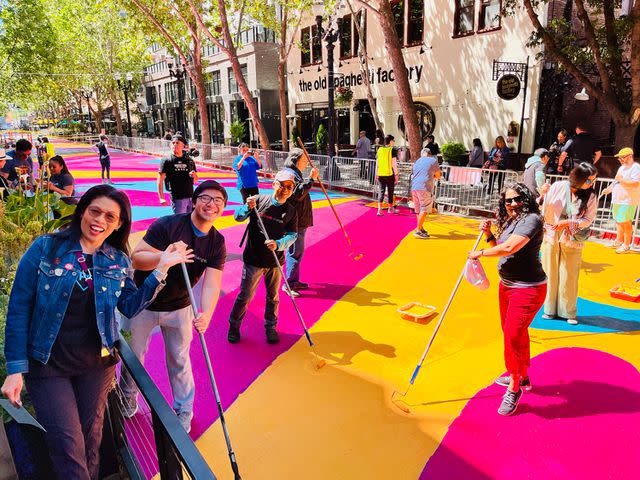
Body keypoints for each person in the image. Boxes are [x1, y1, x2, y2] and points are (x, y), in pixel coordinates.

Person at [1, 184, 190, 479]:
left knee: (91, 439)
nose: (100, 220)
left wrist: (161, 269)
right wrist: (15, 369)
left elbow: (128, 306)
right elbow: (19, 307)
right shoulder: (46, 248)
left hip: (96, 365)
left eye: (110, 217)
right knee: (67, 443)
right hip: (49, 363)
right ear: (82, 211)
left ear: (118, 225)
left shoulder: (117, 260)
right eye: (95, 211)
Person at [120, 180, 228, 433]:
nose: (211, 205)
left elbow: (212, 283)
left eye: (218, 201)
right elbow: (137, 259)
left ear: (223, 207)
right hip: (142, 303)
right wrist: (165, 257)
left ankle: (183, 408)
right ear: (193, 200)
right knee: (132, 356)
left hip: (180, 307)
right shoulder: (168, 225)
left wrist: (207, 314)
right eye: (205, 198)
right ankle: (126, 397)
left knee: (179, 358)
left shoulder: (216, 242)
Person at [468, 183, 547, 416]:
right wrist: (488, 235)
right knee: (514, 333)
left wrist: (479, 253)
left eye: (517, 199)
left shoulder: (532, 219)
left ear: (527, 199)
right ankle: (522, 376)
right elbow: (500, 246)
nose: (513, 204)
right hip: (507, 286)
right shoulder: (512, 221)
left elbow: (511, 247)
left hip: (528, 288)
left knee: (512, 335)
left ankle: (514, 386)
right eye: (508, 201)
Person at [227, 170, 298, 345]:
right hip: (253, 260)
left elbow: (293, 235)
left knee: (273, 297)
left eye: (289, 187)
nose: (285, 189)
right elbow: (238, 217)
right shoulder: (258, 200)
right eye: (282, 185)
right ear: (274, 184)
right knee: (245, 296)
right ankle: (234, 325)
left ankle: (271, 327)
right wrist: (246, 207)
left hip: (275, 261)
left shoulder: (291, 211)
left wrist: (279, 244)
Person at [540, 162, 597, 325]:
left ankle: (568, 311)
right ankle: (549, 309)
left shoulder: (590, 196)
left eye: (593, 180)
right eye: (588, 180)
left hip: (572, 236)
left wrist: (568, 223)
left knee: (569, 274)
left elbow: (588, 219)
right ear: (578, 178)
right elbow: (543, 207)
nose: (591, 183)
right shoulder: (558, 186)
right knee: (549, 270)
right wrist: (543, 194)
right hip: (551, 233)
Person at [282, 148, 319, 296]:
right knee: (294, 252)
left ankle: (293, 280)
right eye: (304, 160)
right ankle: (289, 283)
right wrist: (311, 179)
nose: (306, 163)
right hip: (294, 220)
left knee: (297, 251)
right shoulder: (289, 174)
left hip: (299, 219)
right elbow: (297, 194)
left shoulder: (294, 173)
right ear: (296, 161)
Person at [601, 148, 640, 254]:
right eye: (619, 157)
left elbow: (635, 183)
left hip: (628, 200)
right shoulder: (622, 168)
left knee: (626, 222)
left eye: (622, 157)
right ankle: (619, 240)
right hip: (618, 199)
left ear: (630, 156)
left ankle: (626, 245)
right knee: (619, 221)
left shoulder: (636, 167)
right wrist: (608, 189)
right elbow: (615, 181)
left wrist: (621, 180)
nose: (620, 159)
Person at [157, 134, 198, 214]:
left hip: (191, 196)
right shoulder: (166, 160)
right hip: (178, 198)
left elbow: (195, 180)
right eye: (173, 143)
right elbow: (160, 179)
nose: (175, 145)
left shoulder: (189, 160)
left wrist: (194, 176)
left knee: (190, 222)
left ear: (183, 145)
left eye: (177, 143)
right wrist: (161, 197)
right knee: (180, 222)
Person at [411, 148, 441, 239]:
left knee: (418, 209)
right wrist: (434, 176)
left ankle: (421, 227)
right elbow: (438, 175)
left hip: (414, 186)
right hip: (425, 187)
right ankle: (418, 230)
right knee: (424, 208)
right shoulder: (433, 160)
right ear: (430, 154)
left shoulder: (417, 161)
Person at [375, 134, 398, 215]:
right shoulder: (392, 150)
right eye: (393, 140)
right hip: (389, 174)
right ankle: (390, 209)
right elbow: (394, 164)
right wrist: (396, 175)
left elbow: (377, 163)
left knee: (381, 191)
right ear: (391, 141)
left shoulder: (379, 149)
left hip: (380, 174)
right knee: (390, 192)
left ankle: (379, 210)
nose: (394, 142)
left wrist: (376, 174)